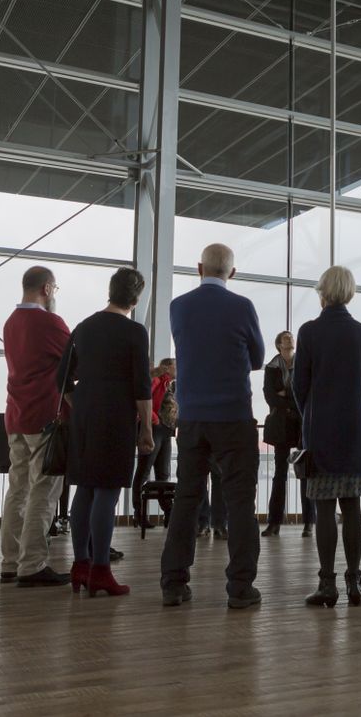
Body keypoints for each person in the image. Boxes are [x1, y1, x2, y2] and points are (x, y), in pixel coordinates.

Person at [160, 244, 264, 610]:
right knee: (240, 501)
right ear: (232, 273)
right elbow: (257, 358)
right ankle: (240, 587)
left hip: (192, 419)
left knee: (187, 499)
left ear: (199, 267)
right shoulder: (242, 307)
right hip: (234, 417)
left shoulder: (179, 306)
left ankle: (173, 583)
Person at [59, 267, 154, 597]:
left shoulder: (83, 327)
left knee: (85, 488)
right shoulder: (134, 332)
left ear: (110, 291)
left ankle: (80, 565)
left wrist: (81, 404)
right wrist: (146, 429)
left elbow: (61, 379)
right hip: (116, 414)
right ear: (136, 298)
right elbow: (142, 386)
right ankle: (101, 570)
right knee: (107, 491)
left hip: (84, 415)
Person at [293, 265, 361, 607]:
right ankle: (355, 581)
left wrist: (313, 413)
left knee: (324, 506)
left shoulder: (309, 331)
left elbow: (299, 386)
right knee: (352, 505)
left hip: (321, 430)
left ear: (322, 292)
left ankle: (327, 584)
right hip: (354, 430)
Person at [0, 265, 71, 587]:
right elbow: (74, 362)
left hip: (15, 415)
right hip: (44, 418)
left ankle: (10, 562)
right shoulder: (50, 323)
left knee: (18, 489)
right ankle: (32, 565)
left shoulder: (11, 322)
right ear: (46, 288)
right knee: (44, 489)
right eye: (55, 289)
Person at [262, 331, 315, 537]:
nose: (290, 339)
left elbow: (307, 392)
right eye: (285, 338)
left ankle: (309, 522)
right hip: (281, 424)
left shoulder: (304, 363)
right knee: (280, 474)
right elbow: (269, 396)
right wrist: (291, 401)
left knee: (305, 473)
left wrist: (285, 395)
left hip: (301, 424)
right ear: (279, 344)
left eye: (291, 337)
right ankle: (274, 522)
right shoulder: (272, 367)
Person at [132, 358, 176, 529]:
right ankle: (139, 513)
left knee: (163, 473)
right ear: (167, 367)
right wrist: (154, 420)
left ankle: (168, 512)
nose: (178, 369)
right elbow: (143, 399)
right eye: (175, 366)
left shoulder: (170, 385)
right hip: (154, 429)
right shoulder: (157, 380)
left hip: (165, 431)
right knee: (144, 470)